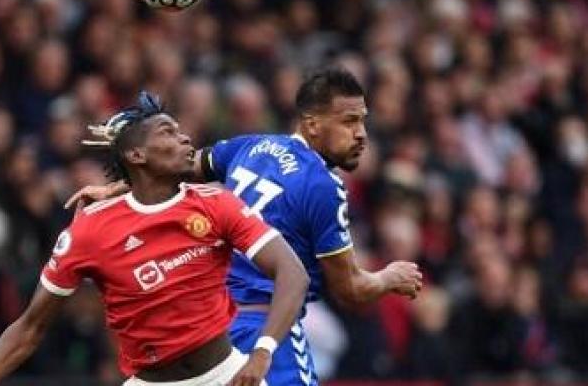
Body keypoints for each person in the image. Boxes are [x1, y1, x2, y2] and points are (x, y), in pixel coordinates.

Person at [67, 70, 423, 385]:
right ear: (312, 124)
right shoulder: (323, 186)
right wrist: (390, 277)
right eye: (349, 121)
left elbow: (175, 170)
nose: (361, 134)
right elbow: (350, 290)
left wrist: (118, 188)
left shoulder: (253, 145)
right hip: (266, 328)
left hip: (211, 336)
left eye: (363, 122)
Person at [0, 92, 310, 386]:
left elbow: (292, 273)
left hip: (228, 373)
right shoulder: (90, 230)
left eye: (180, 131)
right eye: (168, 132)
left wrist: (262, 352)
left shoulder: (216, 203)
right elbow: (30, 327)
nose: (185, 138)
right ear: (136, 156)